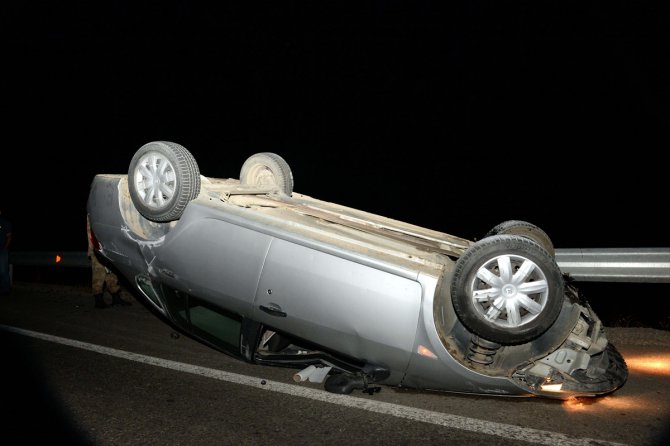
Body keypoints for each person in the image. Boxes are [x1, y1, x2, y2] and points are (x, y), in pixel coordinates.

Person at [86, 214, 130, 308]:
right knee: (98, 273)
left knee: (112, 273)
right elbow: (90, 231)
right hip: (97, 246)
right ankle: (98, 300)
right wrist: (91, 249)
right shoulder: (94, 210)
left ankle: (116, 297)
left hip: (110, 246)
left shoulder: (106, 210)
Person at [0, 208, 13, 296]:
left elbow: (9, 237)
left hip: (2, 250)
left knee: (3, 270)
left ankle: (6, 290)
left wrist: (5, 248)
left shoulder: (5, 223)